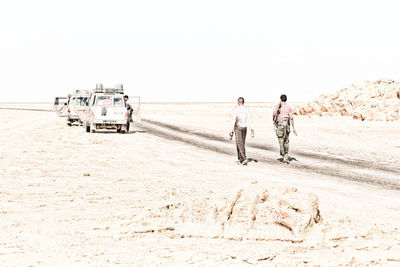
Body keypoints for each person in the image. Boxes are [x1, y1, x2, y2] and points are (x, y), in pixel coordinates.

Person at [229, 97, 254, 165]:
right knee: (242, 143)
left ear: (238, 102)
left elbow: (233, 120)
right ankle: (240, 159)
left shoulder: (236, 109)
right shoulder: (246, 109)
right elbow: (250, 119)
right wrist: (252, 129)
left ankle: (244, 158)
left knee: (239, 144)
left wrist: (231, 130)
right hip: (244, 128)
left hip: (238, 127)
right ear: (243, 102)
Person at [273, 94, 297, 164]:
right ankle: (286, 156)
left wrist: (274, 122)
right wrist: (293, 128)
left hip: (280, 125)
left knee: (281, 140)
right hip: (287, 125)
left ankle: (284, 156)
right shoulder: (288, 107)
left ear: (280, 99)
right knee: (286, 141)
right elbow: (291, 118)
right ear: (286, 99)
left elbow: (274, 114)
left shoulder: (278, 106)